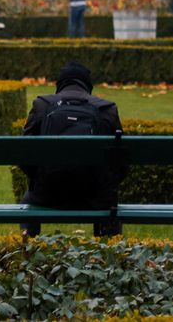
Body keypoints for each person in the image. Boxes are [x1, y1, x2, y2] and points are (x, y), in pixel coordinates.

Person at [20, 61, 125, 237]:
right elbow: (121, 161)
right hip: (95, 197)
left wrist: (40, 179)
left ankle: (28, 249)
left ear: (60, 84)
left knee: (27, 200)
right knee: (110, 200)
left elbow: (24, 154)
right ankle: (110, 253)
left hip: (48, 195)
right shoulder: (107, 109)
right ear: (87, 85)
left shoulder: (42, 105)